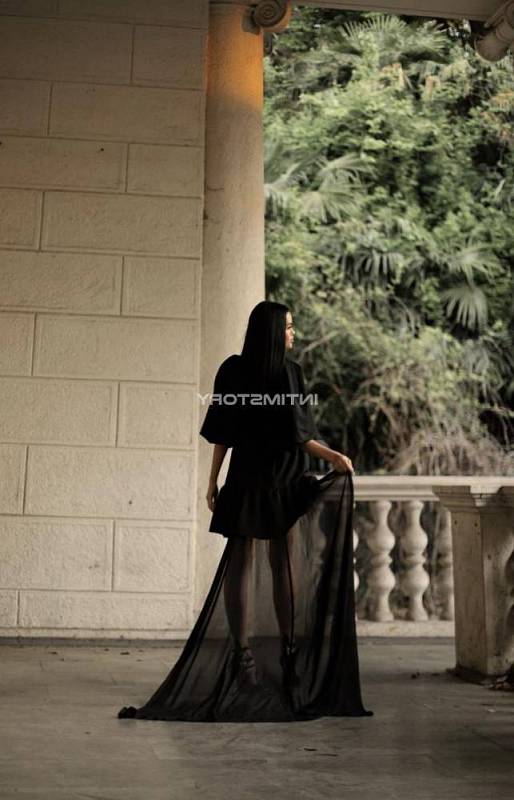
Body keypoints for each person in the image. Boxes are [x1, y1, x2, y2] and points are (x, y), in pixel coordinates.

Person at [118, 301, 373, 722]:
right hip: (280, 477)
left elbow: (224, 431)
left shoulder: (233, 370)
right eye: (288, 327)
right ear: (272, 331)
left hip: (250, 476)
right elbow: (300, 436)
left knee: (244, 563)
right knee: (280, 563)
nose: (293, 333)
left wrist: (214, 479)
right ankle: (287, 656)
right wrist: (333, 457)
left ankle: (245, 658)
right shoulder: (288, 373)